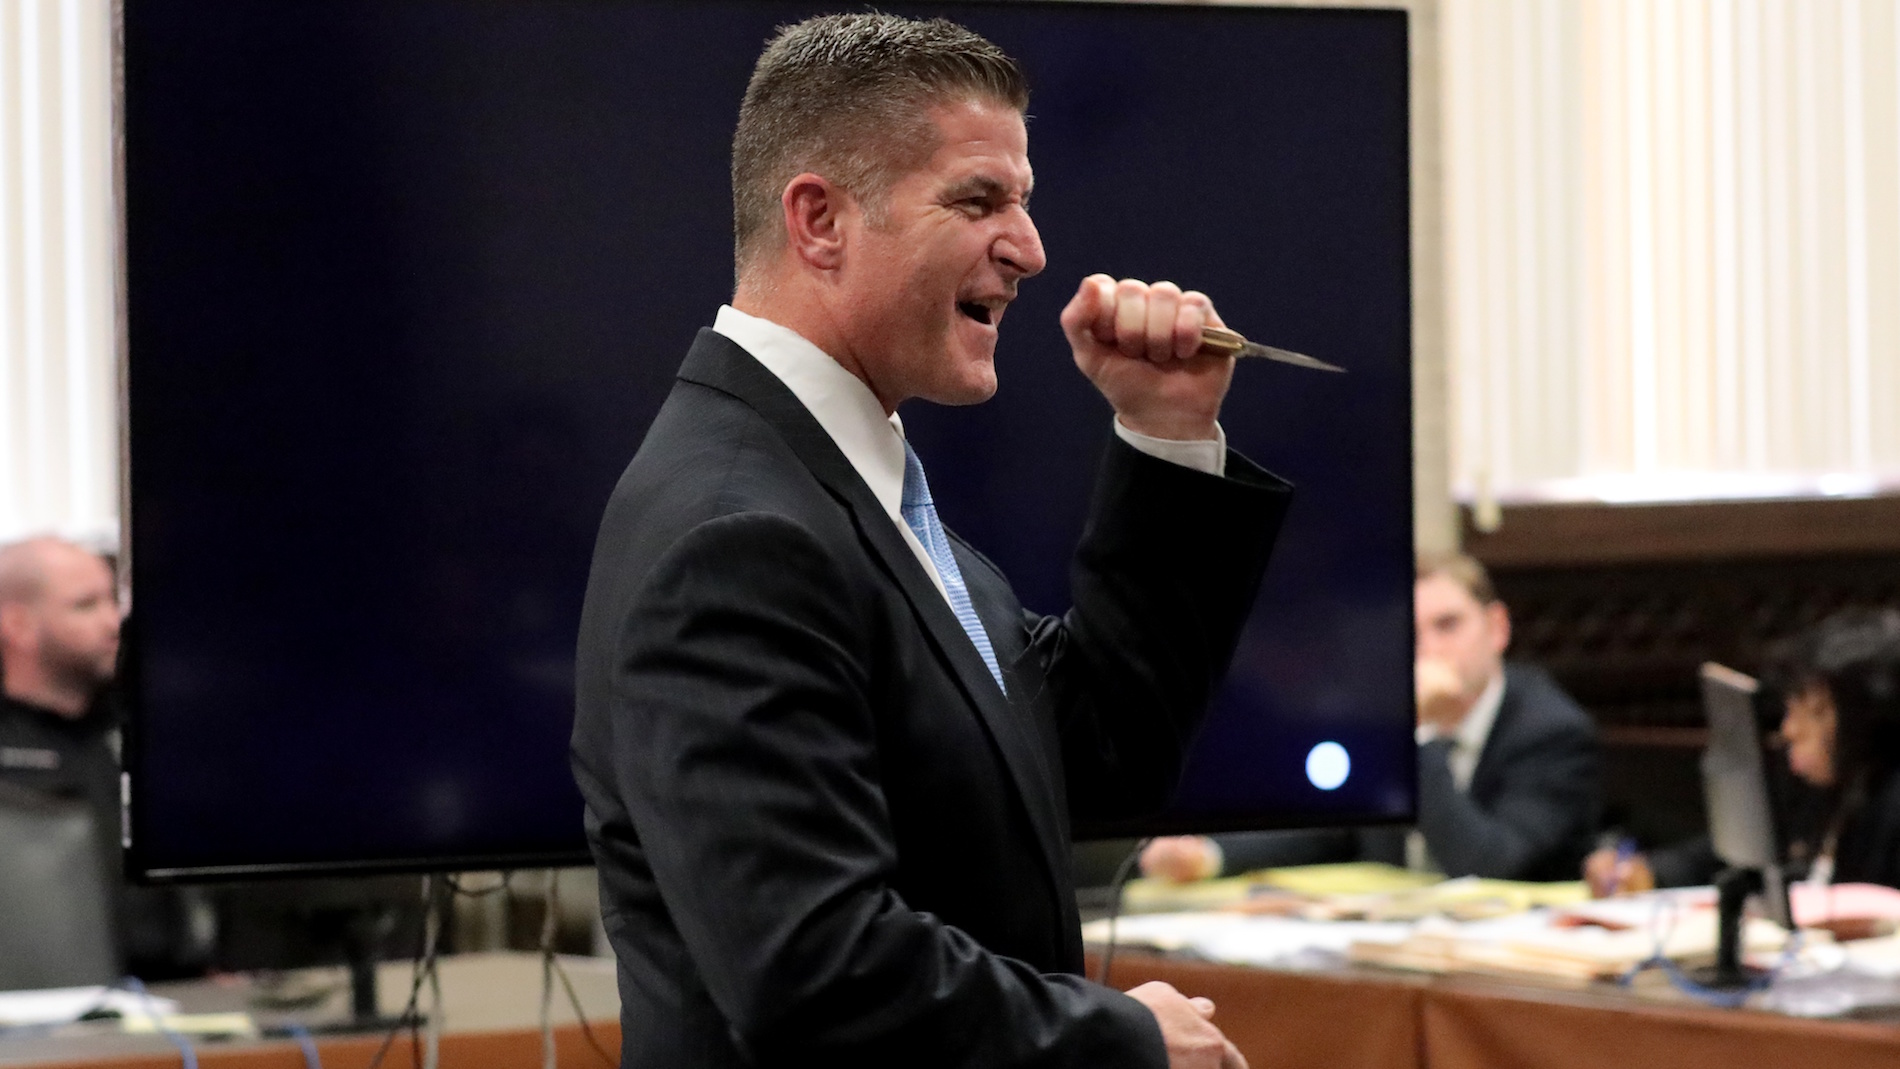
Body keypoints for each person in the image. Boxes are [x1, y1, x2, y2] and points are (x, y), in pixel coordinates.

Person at [570, 14, 1290, 1069]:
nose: (1032, 250)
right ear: (819, 220)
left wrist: (1165, 433)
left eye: (1024, 202)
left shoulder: (844, 482)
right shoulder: (738, 534)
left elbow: (1097, 756)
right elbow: (816, 970)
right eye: (978, 199)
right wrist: (1124, 1038)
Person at [1142, 552, 1600, 884]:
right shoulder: (1377, 716)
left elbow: (1491, 865)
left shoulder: (1551, 732)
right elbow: (1331, 828)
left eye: (1448, 625)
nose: (1429, 649)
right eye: (1411, 633)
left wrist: (1417, 737)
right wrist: (1207, 855)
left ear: (1497, 628)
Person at [1586, 608, 1900, 895]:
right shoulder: (1813, 787)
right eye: (1793, 708)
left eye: (1816, 713)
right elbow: (1736, 854)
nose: (1791, 730)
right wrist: (1648, 872)